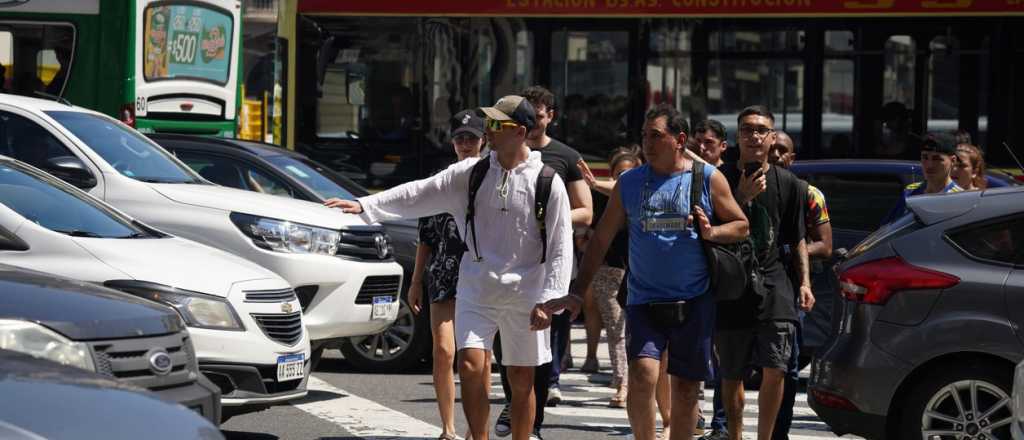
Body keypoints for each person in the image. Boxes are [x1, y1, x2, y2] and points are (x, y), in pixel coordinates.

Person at [324, 95, 573, 440]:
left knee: (521, 380)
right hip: (476, 285)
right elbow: (418, 193)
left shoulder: (547, 181)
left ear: (518, 131)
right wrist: (365, 205)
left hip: (527, 292)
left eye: (496, 124)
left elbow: (562, 244)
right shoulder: (469, 174)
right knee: (470, 365)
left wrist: (550, 300)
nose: (488, 129)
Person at [545, 103, 749, 440]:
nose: (647, 143)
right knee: (642, 376)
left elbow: (741, 225)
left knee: (685, 389)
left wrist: (712, 232)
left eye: (656, 136)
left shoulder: (706, 179)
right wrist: (578, 292)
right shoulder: (629, 183)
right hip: (643, 300)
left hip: (695, 301)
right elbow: (599, 241)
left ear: (680, 139)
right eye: (644, 136)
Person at [493, 86, 593, 439]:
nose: (532, 123)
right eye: (526, 116)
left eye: (538, 116)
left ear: (551, 116)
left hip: (550, 263)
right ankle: (513, 402)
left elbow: (587, 211)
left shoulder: (565, 157)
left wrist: (547, 214)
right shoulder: (500, 154)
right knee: (505, 346)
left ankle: (533, 419)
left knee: (542, 340)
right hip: (505, 267)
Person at [717, 105, 814, 440]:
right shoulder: (721, 178)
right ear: (737, 136)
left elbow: (797, 238)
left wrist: (805, 282)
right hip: (732, 284)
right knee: (731, 373)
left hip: (774, 284)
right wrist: (741, 198)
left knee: (777, 367)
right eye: (747, 129)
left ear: (772, 137)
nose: (754, 135)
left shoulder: (790, 184)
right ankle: (735, 434)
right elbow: (712, 231)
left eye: (761, 130)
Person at [406, 110, 486, 440]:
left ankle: (474, 428)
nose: (466, 144)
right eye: (460, 138)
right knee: (444, 351)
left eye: (472, 138)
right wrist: (415, 280)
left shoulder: (492, 178)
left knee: (478, 357)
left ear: (484, 140)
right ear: (452, 142)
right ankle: (447, 428)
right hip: (442, 274)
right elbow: (426, 235)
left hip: (480, 276)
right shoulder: (439, 180)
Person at [767, 131, 833, 440]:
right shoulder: (747, 186)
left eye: (783, 151)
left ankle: (780, 431)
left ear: (792, 159)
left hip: (790, 289)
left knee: (786, 365)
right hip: (753, 285)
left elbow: (825, 245)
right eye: (773, 149)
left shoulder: (809, 194)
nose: (776, 155)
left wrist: (792, 250)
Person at [577, 149, 639, 408]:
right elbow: (586, 239)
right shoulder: (604, 201)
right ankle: (622, 384)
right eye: (618, 174)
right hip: (609, 272)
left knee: (638, 333)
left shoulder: (645, 196)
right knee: (616, 330)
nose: (623, 179)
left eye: (629, 173)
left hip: (640, 272)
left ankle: (639, 383)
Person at [881, 134, 964, 225]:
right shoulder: (911, 191)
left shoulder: (958, 198)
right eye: (925, 157)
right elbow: (887, 228)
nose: (930, 165)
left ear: (953, 161)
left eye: (937, 159)